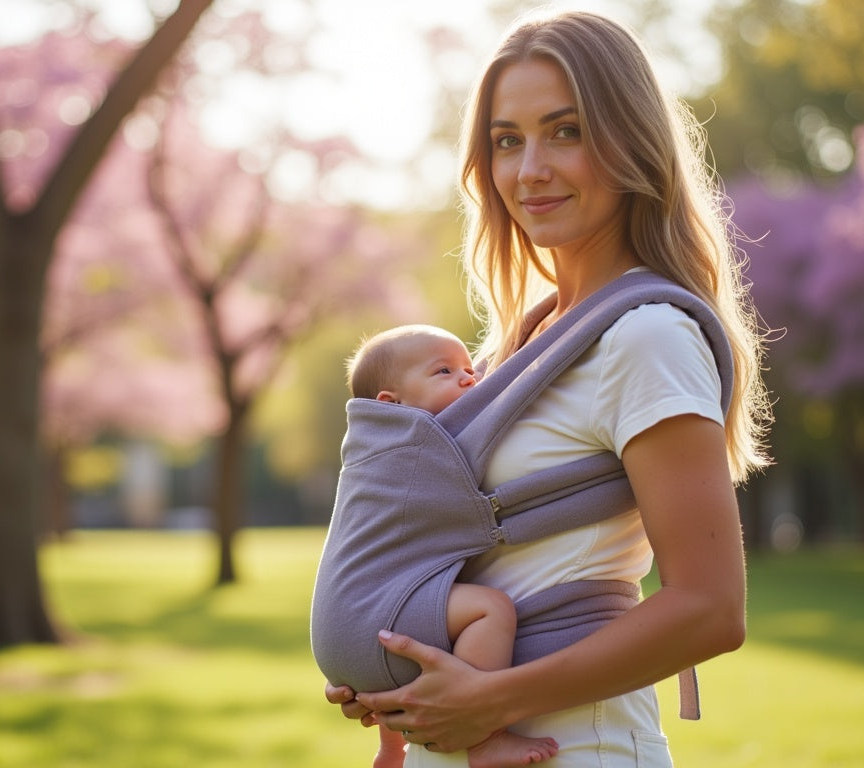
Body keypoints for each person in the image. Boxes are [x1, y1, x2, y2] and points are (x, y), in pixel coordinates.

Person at [324, 9, 771, 767]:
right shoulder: (514, 348)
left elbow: (711, 609)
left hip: (574, 747)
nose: (529, 169)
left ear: (630, 137)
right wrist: (392, 664)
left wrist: (491, 701)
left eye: (565, 131)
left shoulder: (646, 336)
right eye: (508, 140)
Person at [342, 324, 561, 768]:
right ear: (392, 405)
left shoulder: (367, 457)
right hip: (379, 614)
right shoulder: (423, 447)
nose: (469, 379)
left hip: (348, 623)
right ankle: (486, 740)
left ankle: (390, 748)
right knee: (491, 609)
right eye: (444, 371)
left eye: (468, 369)